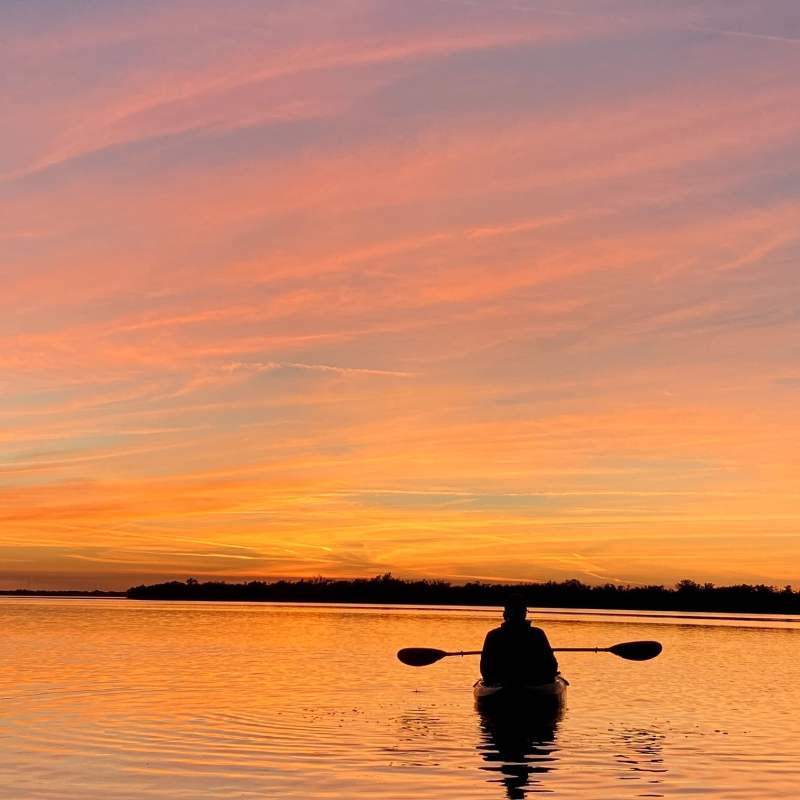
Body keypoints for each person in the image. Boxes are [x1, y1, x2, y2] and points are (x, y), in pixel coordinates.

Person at [480, 594, 558, 686]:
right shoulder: (537, 634)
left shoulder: (493, 635)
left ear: (505, 614)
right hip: (533, 681)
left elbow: (485, 668)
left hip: (504, 682)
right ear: (524, 614)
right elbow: (552, 666)